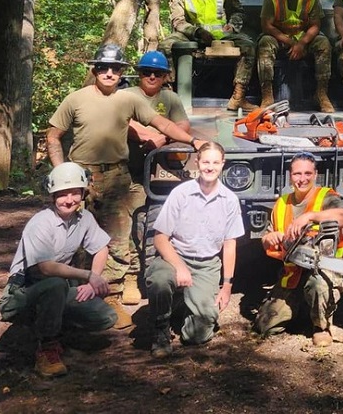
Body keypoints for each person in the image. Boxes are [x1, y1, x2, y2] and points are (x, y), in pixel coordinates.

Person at [46, 43, 207, 328]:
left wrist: (194, 142)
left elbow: (163, 124)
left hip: (117, 178)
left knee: (117, 241)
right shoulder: (75, 99)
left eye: (115, 68)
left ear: (121, 72)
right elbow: (53, 135)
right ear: (94, 70)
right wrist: (60, 172)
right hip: (79, 177)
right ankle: (69, 298)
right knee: (72, 238)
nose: (109, 73)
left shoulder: (128, 101)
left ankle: (112, 295)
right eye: (103, 68)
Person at [0, 162, 118, 377]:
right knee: (53, 285)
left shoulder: (84, 219)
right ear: (52, 195)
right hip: (22, 294)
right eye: (62, 194)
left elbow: (101, 248)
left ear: (83, 193)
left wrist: (94, 280)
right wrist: (88, 275)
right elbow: (45, 268)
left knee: (105, 317)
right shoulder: (41, 223)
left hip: (58, 291)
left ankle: (55, 326)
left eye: (75, 193)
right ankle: (46, 348)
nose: (69, 200)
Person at [145, 142, 244, 357]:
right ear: (197, 163)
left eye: (215, 162)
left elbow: (229, 244)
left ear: (223, 165)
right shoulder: (181, 194)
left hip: (206, 264)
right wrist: (180, 267)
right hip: (175, 256)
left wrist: (226, 286)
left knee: (196, 336)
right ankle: (160, 329)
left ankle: (181, 305)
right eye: (206, 161)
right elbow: (160, 238)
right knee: (160, 280)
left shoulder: (230, 200)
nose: (210, 167)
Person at [254, 152, 343, 346]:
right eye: (297, 174)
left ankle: (321, 327)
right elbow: (267, 241)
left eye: (307, 173)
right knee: (265, 326)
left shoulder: (326, 196)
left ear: (315, 175)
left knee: (317, 285)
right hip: (292, 273)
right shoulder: (282, 203)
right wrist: (268, 239)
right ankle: (302, 311)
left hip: (323, 270)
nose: (302, 179)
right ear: (290, 175)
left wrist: (310, 216)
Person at [124, 50, 191, 305]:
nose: (152, 76)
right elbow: (124, 124)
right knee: (131, 220)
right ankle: (130, 276)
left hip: (161, 170)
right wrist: (144, 136)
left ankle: (157, 271)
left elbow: (183, 126)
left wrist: (163, 138)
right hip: (129, 168)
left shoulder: (170, 98)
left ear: (165, 76)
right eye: (146, 72)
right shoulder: (126, 95)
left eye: (158, 73)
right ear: (139, 73)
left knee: (156, 221)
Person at [159, 0, 256, 112]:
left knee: (249, 45)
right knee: (165, 45)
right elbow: (178, 21)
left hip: (222, 35)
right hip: (192, 35)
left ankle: (238, 96)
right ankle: (168, 92)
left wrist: (232, 25)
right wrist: (197, 31)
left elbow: (238, 11)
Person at [257, 0, 334, 112]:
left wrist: (301, 43)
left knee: (324, 44)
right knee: (264, 43)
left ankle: (321, 94)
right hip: (279, 38)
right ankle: (267, 95)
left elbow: (315, 25)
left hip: (304, 39)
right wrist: (291, 43)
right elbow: (267, 26)